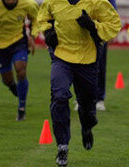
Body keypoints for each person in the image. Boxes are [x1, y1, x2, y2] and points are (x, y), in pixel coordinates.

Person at [37, 0, 121, 165]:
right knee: (59, 96)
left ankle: (87, 126)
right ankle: (62, 146)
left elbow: (114, 24)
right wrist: (48, 32)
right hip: (62, 56)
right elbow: (43, 16)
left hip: (87, 59)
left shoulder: (97, 2)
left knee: (88, 105)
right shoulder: (53, 1)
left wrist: (92, 26)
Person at [0, 0, 39, 121]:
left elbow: (36, 18)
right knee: (7, 80)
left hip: (19, 42)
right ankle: (14, 88)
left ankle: (22, 107)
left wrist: (33, 35)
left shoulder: (28, 4)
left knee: (20, 70)